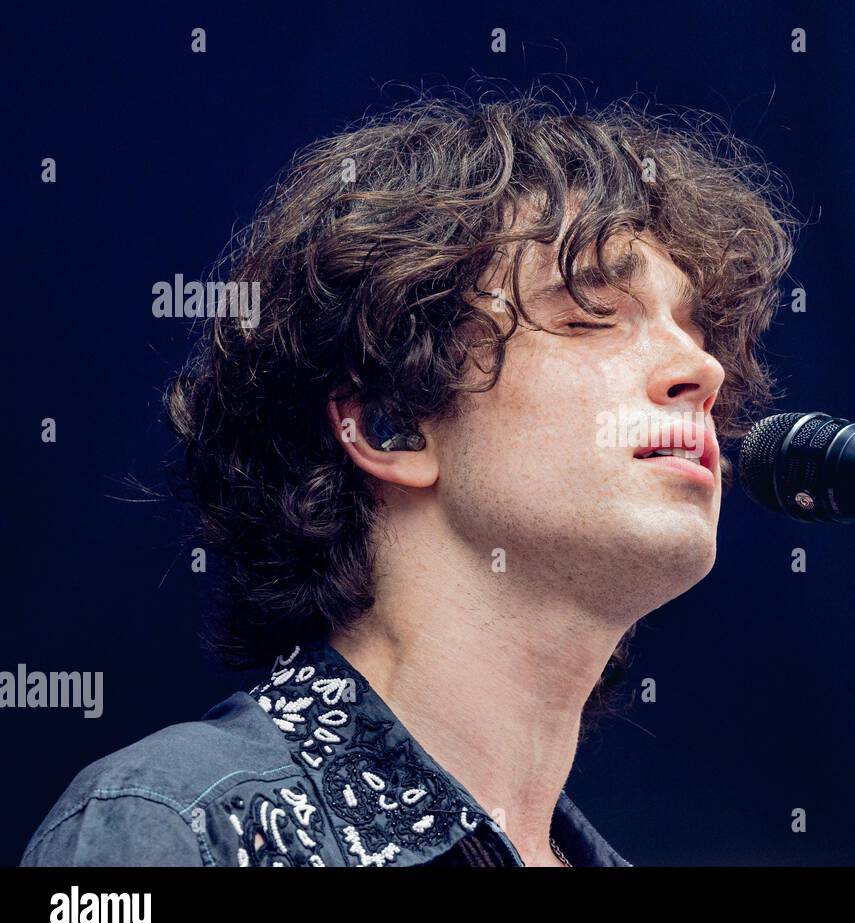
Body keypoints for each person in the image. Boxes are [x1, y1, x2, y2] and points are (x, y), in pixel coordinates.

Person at [21, 90, 795, 867]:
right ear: (390, 421)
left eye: (696, 328)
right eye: (591, 311)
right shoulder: (173, 830)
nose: (702, 368)